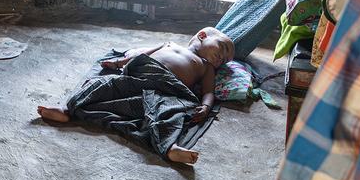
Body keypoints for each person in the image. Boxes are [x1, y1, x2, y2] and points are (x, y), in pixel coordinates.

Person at [36, 27, 235, 165]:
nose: (222, 58)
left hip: (166, 89)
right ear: (202, 36)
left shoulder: (206, 67)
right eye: (222, 48)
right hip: (139, 74)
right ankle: (67, 110)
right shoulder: (169, 43)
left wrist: (206, 107)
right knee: (100, 84)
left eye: (225, 60)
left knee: (170, 114)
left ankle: (169, 148)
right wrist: (118, 63)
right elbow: (141, 56)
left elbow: (208, 92)